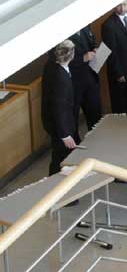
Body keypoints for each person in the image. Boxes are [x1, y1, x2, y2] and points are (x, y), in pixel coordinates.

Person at [42, 40, 80, 175]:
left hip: (55, 124)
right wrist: (65, 135)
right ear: (71, 55)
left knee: (58, 157)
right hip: (61, 128)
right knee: (61, 159)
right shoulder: (61, 78)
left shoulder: (52, 67)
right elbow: (60, 108)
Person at [102, 0, 127, 114]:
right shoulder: (108, 25)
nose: (123, 8)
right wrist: (118, 73)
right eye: (119, 5)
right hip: (120, 70)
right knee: (119, 102)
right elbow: (111, 53)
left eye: (125, 4)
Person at [68, 26, 102, 130]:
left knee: (95, 115)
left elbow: (91, 42)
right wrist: (82, 58)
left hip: (91, 78)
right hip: (74, 83)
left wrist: (95, 50)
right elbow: (58, 60)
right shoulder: (62, 34)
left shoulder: (85, 27)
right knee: (72, 118)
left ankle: (95, 140)